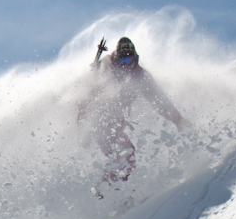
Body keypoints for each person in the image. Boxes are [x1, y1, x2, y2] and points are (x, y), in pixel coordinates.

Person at [77, 37, 185, 194]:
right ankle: (104, 193)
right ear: (116, 57)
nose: (124, 65)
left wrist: (177, 119)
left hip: (116, 124)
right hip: (100, 122)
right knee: (125, 154)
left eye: (128, 60)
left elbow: (158, 99)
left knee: (126, 156)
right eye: (122, 60)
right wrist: (83, 129)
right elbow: (86, 102)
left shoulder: (140, 76)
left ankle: (109, 192)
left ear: (134, 57)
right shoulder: (105, 69)